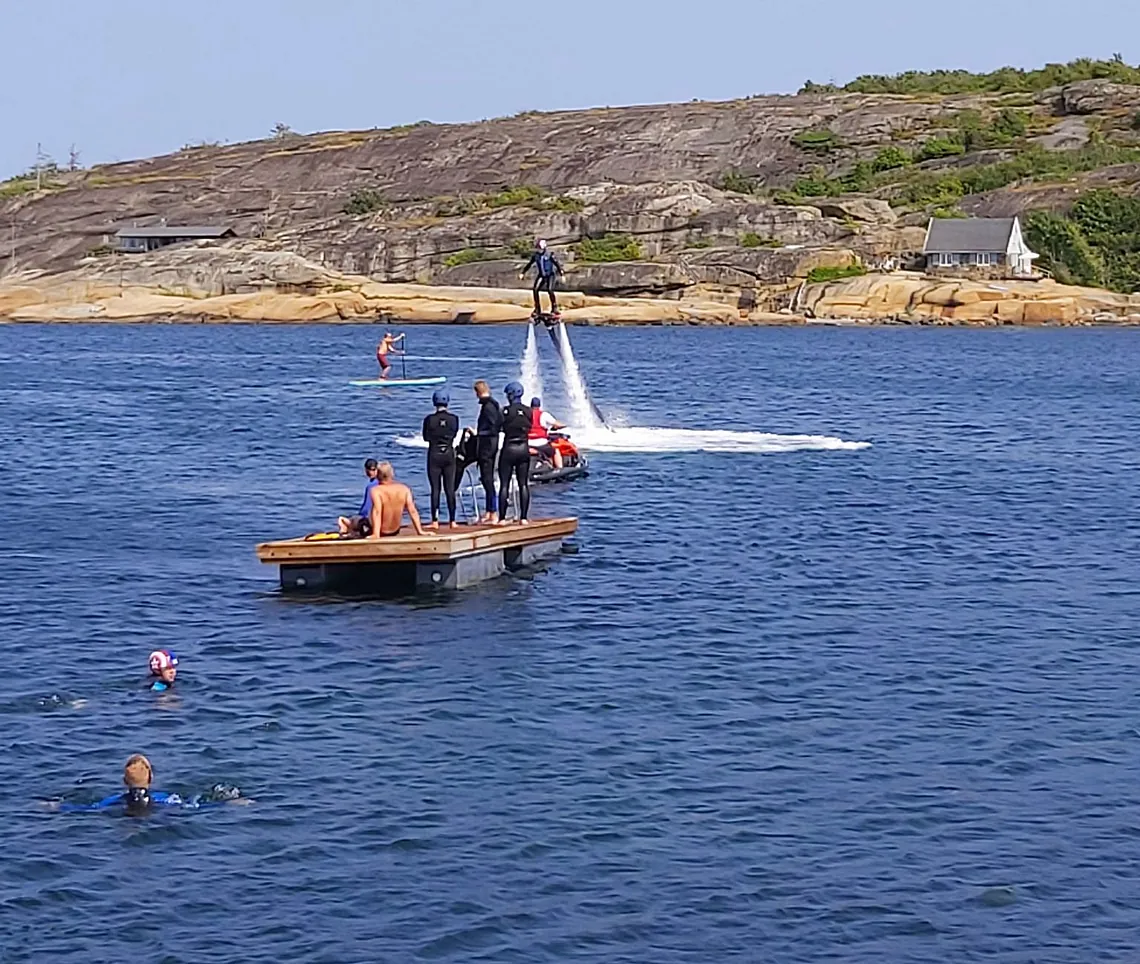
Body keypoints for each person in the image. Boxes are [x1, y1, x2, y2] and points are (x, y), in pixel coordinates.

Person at [53, 754, 250, 814]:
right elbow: (196, 807)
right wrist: (228, 802)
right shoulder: (166, 798)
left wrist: (56, 806)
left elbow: (84, 809)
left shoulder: (111, 801)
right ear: (151, 778)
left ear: (124, 782)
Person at [422, 389, 460, 529]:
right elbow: (454, 434)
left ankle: (435, 521)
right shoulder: (454, 419)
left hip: (434, 453)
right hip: (449, 453)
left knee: (435, 489)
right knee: (450, 488)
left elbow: (426, 437)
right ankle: (452, 520)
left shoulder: (429, 419)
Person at [497, 382, 532, 525]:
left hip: (509, 447)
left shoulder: (505, 411)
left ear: (510, 395)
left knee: (504, 484)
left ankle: (502, 518)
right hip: (524, 447)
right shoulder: (529, 411)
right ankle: (523, 518)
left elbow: (500, 427)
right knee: (523, 484)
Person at [368, 461, 427, 537]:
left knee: (355, 521)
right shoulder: (404, 489)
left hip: (381, 531)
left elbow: (377, 512)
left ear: (378, 475)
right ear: (392, 474)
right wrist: (420, 531)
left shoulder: (376, 490)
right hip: (395, 530)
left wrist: (376, 534)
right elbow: (412, 511)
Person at [472, 379, 502, 524]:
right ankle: (490, 511)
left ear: (477, 392)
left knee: (487, 479)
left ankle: (493, 512)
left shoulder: (488, 407)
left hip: (488, 447)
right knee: (486, 479)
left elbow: (493, 427)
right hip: (490, 445)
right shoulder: (493, 404)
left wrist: (478, 434)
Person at [520, 239, 564, 319]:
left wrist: (561, 273)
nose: (538, 249)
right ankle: (537, 308)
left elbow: (556, 264)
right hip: (541, 275)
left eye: (539, 247)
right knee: (535, 289)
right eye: (537, 248)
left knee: (550, 290)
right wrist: (523, 272)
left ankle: (554, 308)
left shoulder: (550, 254)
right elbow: (529, 264)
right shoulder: (536, 256)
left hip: (550, 275)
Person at [337, 458, 379, 537]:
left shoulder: (371, 486)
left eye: (372, 470)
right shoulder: (383, 484)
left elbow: (366, 509)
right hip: (382, 520)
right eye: (370, 470)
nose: (371, 472)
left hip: (369, 521)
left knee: (341, 520)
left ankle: (344, 537)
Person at [527, 396, 567, 470]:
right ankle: (559, 469)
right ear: (539, 406)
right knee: (555, 451)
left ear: (531, 405)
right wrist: (562, 426)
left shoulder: (526, 414)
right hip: (541, 444)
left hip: (527, 444)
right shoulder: (544, 415)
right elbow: (558, 425)